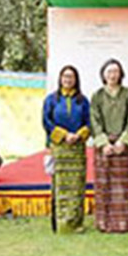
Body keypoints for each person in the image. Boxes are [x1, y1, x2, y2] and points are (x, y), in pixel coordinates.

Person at [89, 58, 128, 233]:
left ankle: (126, 223)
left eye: (116, 71)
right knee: (104, 186)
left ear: (121, 74)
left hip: (122, 146)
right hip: (104, 146)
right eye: (109, 72)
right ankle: (104, 223)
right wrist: (103, 143)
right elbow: (94, 120)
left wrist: (123, 141)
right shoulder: (97, 96)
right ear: (103, 74)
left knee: (124, 187)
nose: (112, 75)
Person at [42, 65, 91, 234]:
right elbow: (46, 121)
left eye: (71, 77)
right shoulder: (51, 100)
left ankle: (76, 223)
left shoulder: (83, 101)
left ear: (76, 79)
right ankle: (61, 224)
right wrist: (64, 135)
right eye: (65, 77)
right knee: (60, 186)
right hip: (59, 148)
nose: (68, 80)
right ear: (60, 79)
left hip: (77, 148)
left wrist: (78, 135)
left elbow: (89, 122)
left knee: (77, 186)